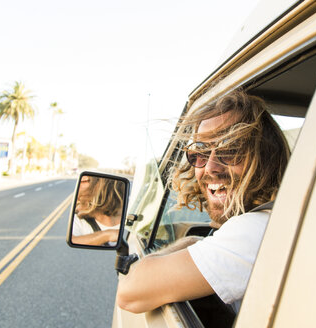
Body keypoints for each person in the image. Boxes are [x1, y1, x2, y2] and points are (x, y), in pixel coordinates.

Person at [116, 89, 290, 314]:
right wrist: (200, 241)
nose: (210, 167)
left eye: (231, 149)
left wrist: (192, 243)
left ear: (266, 157)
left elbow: (129, 293)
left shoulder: (254, 230)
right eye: (199, 153)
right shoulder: (278, 220)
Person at [71, 176, 125, 246]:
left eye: (85, 181)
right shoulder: (79, 220)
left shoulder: (130, 217)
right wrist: (107, 235)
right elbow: (73, 240)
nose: (78, 186)